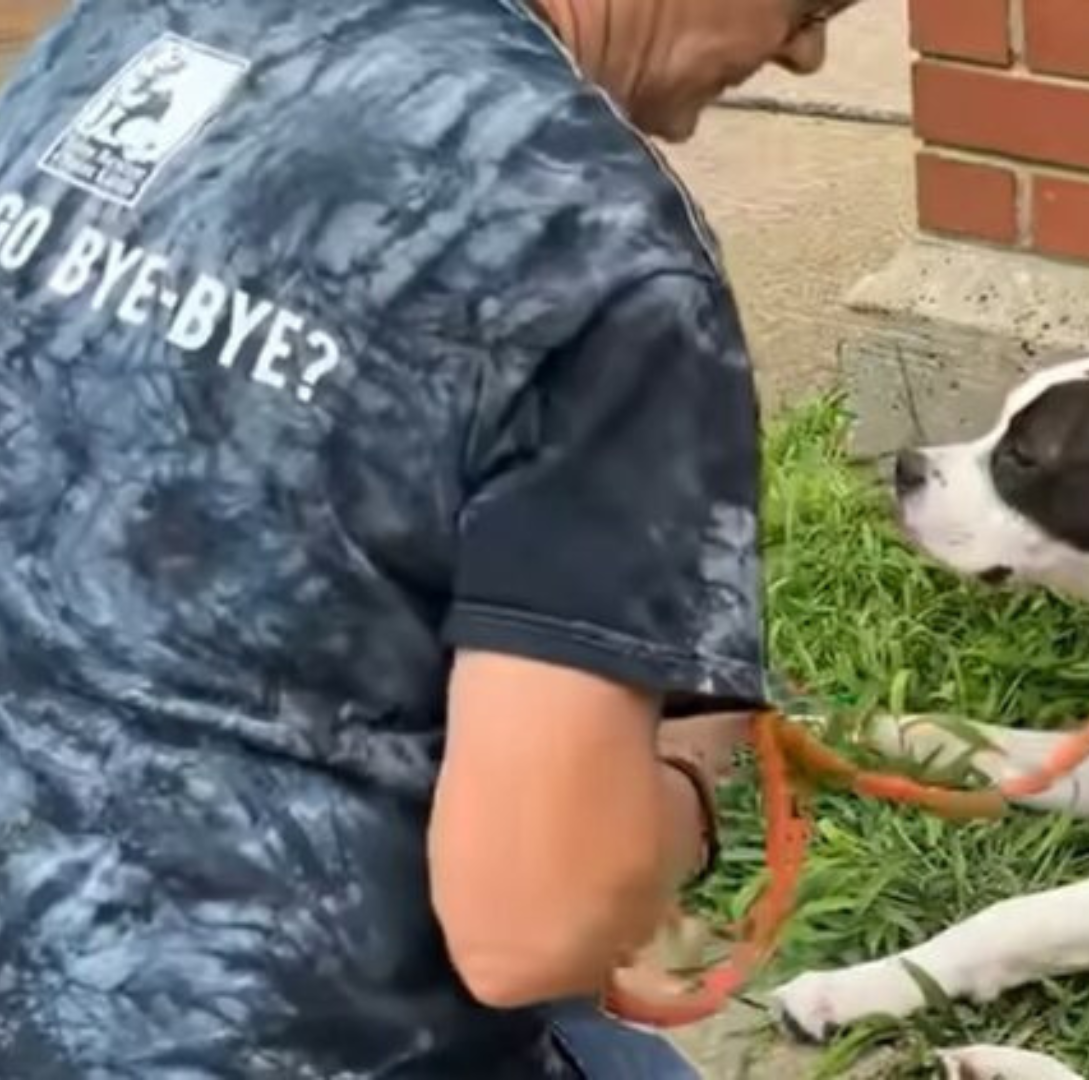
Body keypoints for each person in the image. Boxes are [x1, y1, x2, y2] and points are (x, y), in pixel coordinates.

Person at [0, 0, 855, 1075]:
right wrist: (680, 790)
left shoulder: (131, 24)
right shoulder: (587, 231)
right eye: (813, 7)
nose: (807, 52)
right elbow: (532, 928)